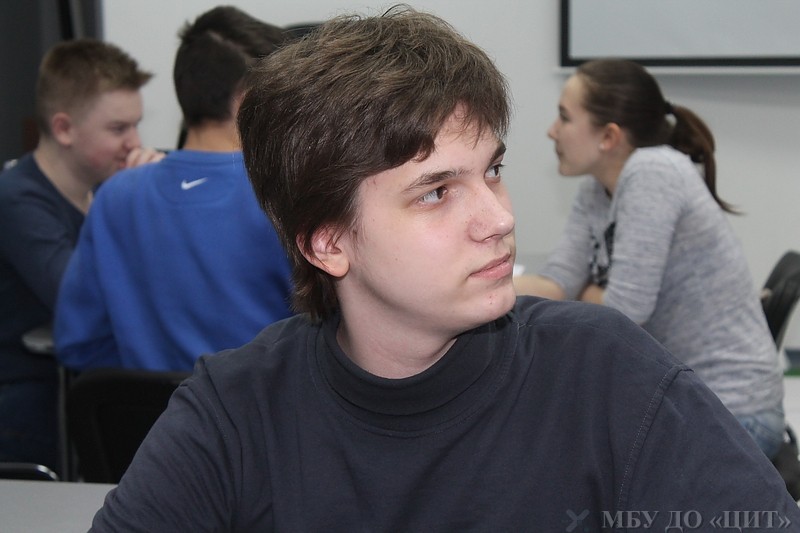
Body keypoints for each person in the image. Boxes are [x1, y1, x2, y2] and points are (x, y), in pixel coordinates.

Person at [89, 8, 800, 531]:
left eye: (492, 171)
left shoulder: (605, 375)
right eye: (435, 192)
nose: (499, 217)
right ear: (327, 242)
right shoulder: (235, 412)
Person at [514, 59, 789, 466]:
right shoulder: (595, 189)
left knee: (563, 455)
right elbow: (557, 283)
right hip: (683, 399)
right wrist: (476, 285)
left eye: (564, 117)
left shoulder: (654, 172)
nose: (551, 131)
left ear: (609, 136)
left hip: (734, 414)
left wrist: (587, 292)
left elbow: (625, 314)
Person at [54, 6, 293, 373]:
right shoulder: (279, 192)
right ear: (246, 99)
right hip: (263, 407)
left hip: (149, 410)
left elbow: (79, 344)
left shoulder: (115, 196)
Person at [0, 38, 159, 473]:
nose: (134, 142)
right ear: (64, 129)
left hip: (74, 387)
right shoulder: (17, 200)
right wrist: (138, 205)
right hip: (25, 402)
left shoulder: (101, 190)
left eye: (136, 125)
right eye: (118, 129)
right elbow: (77, 299)